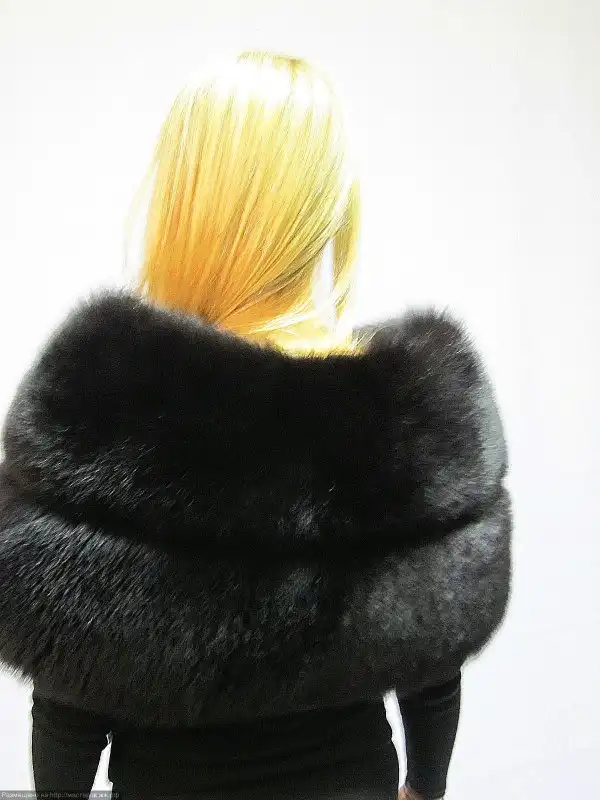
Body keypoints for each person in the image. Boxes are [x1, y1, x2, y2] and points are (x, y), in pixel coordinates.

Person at [0, 52, 511, 800]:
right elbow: (431, 656)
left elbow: (72, 685)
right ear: (328, 202)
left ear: (184, 195)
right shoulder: (403, 417)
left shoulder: (112, 400)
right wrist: (425, 786)